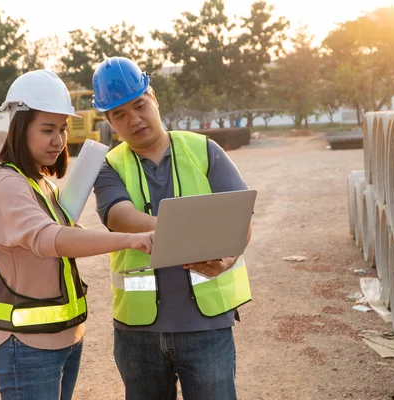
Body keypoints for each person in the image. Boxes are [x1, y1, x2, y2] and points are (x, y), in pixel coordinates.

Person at [0, 69, 154, 400]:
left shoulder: (40, 184)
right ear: (18, 127)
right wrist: (128, 238)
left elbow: (70, 234)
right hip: (27, 345)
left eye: (62, 129)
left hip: (62, 339)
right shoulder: (4, 184)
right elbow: (52, 239)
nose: (58, 140)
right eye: (47, 130)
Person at [91, 57, 253, 400]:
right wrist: (194, 231)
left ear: (153, 97)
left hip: (206, 326)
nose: (134, 120)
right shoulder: (109, 166)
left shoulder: (204, 150)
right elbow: (120, 217)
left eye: (139, 105)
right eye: (119, 114)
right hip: (139, 333)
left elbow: (240, 218)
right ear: (108, 121)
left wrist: (226, 257)